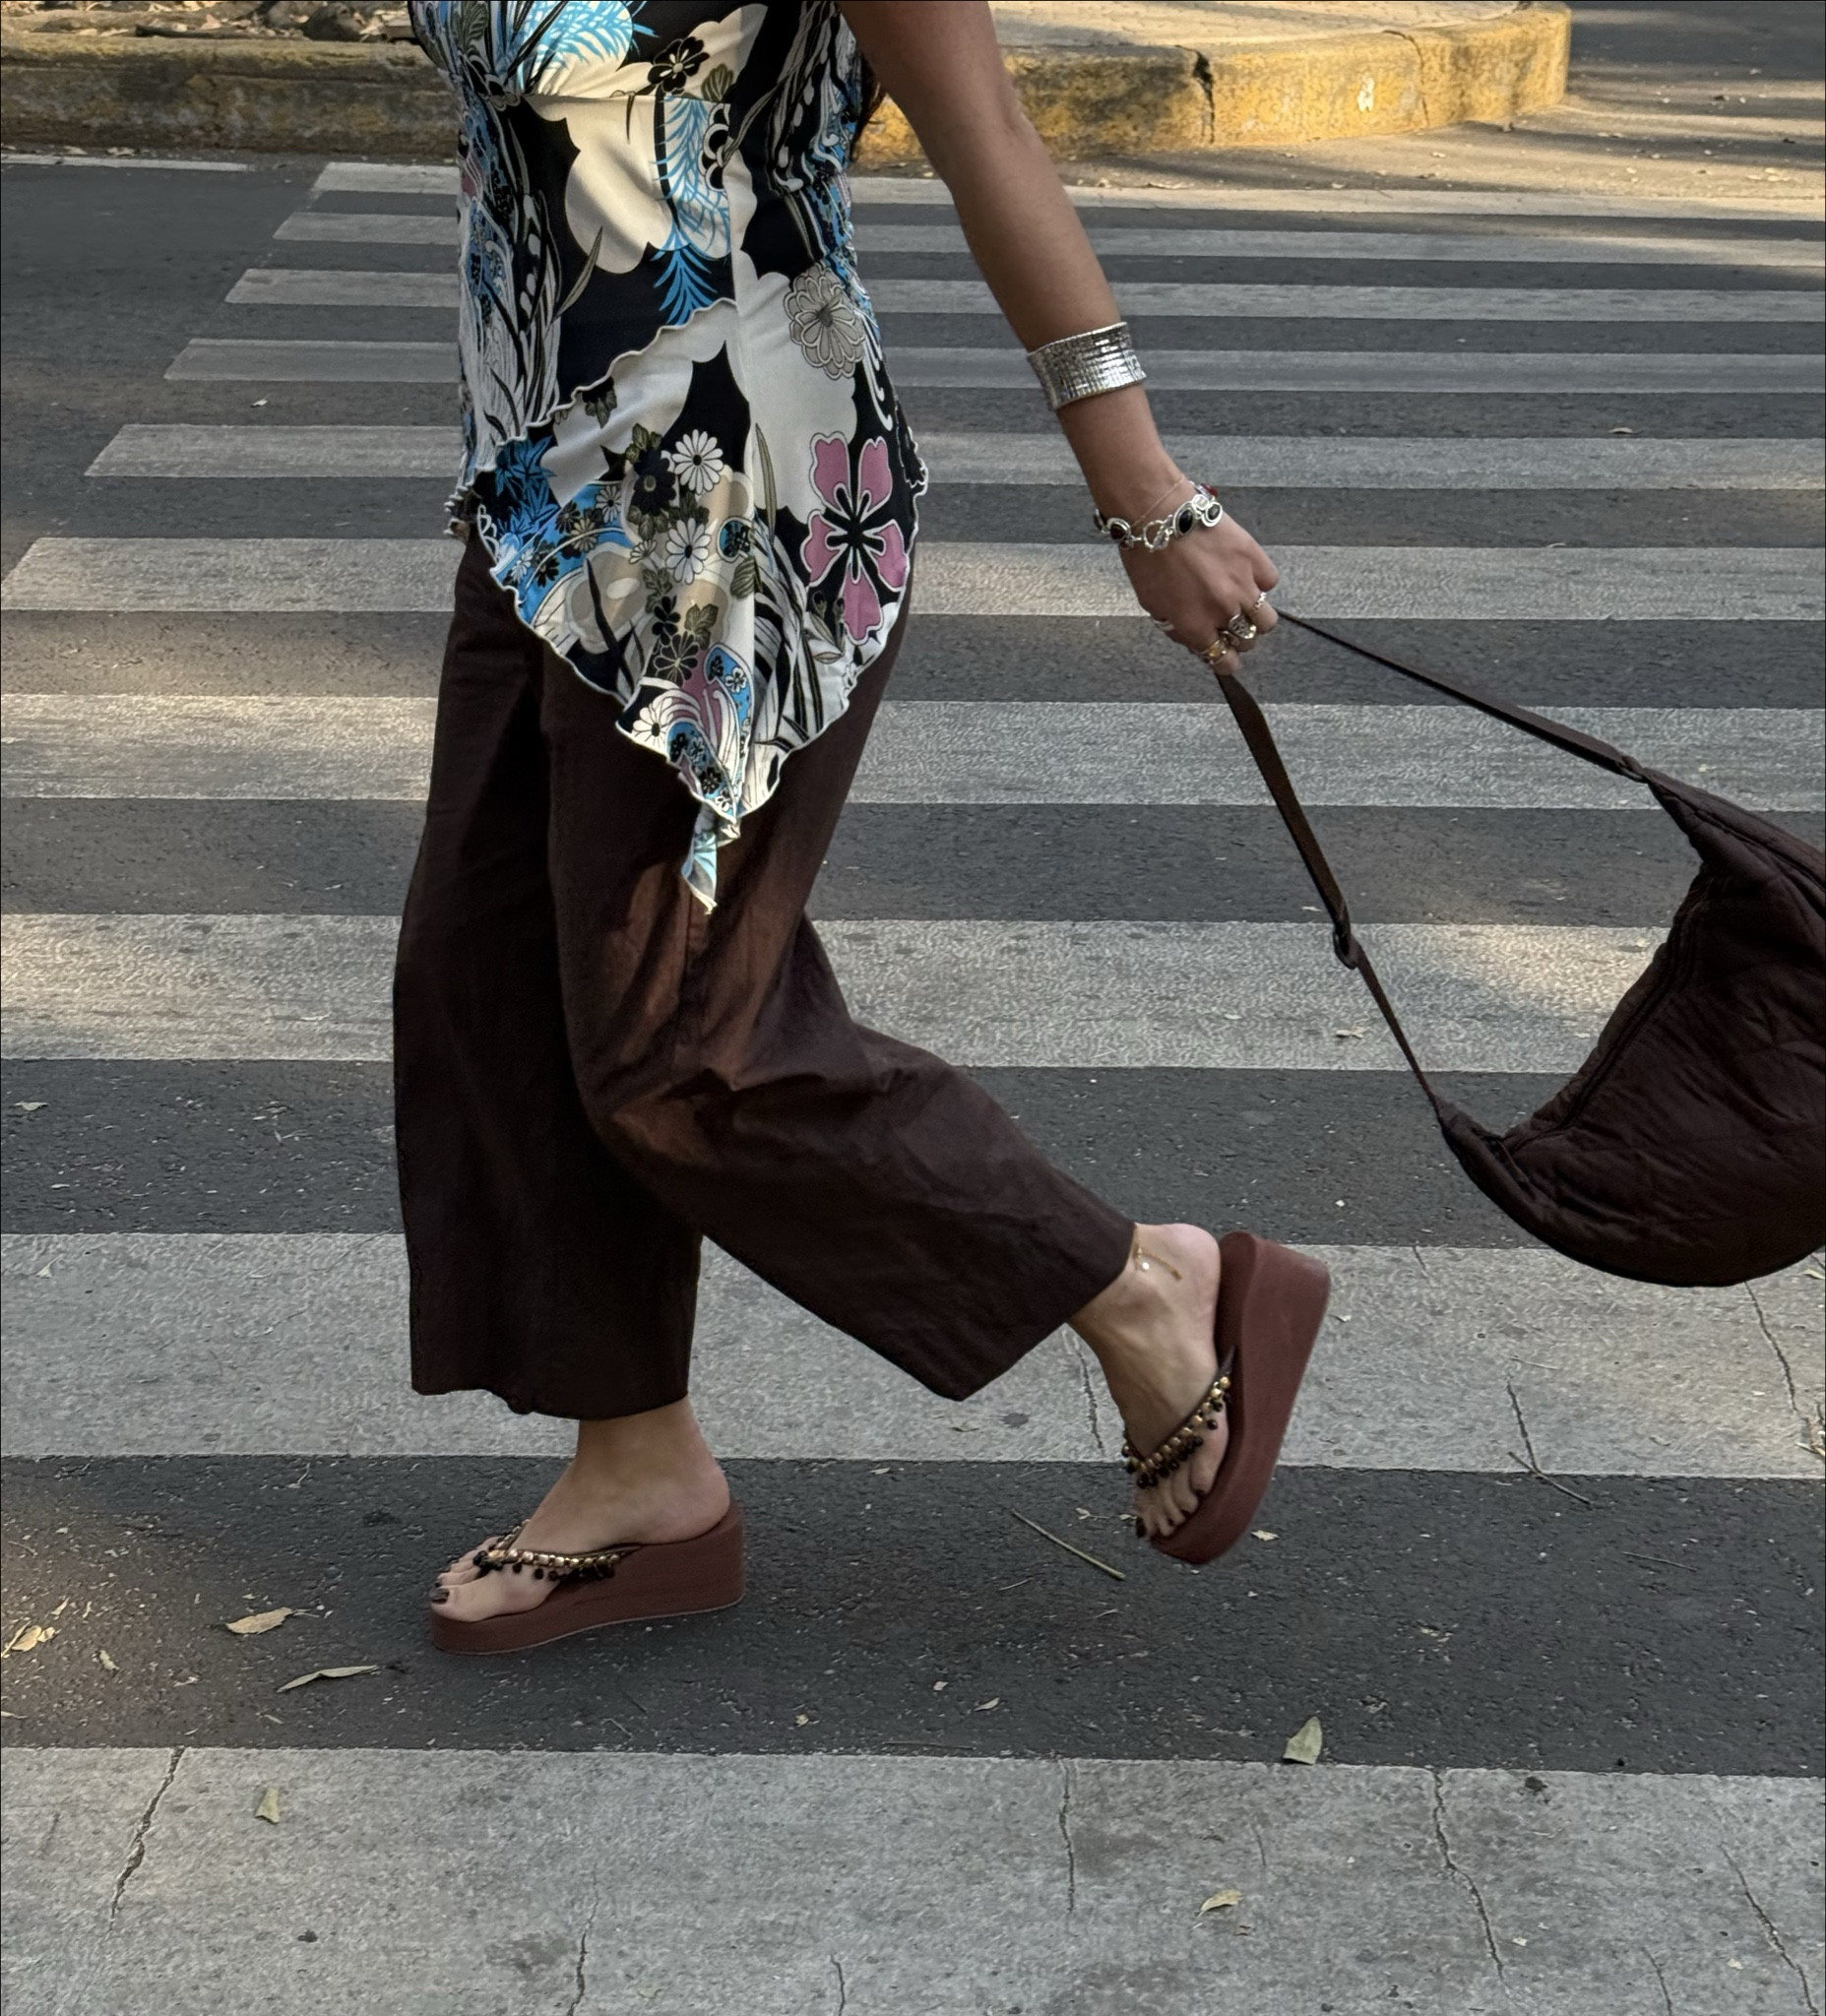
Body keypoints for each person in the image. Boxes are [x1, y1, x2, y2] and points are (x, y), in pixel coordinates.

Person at [401, 0, 1330, 1655]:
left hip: (732, 504)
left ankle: (1136, 1284)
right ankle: (636, 1467)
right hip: (541, 484)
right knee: (488, 970)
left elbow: (992, 147)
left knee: (681, 1044)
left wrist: (1149, 499)